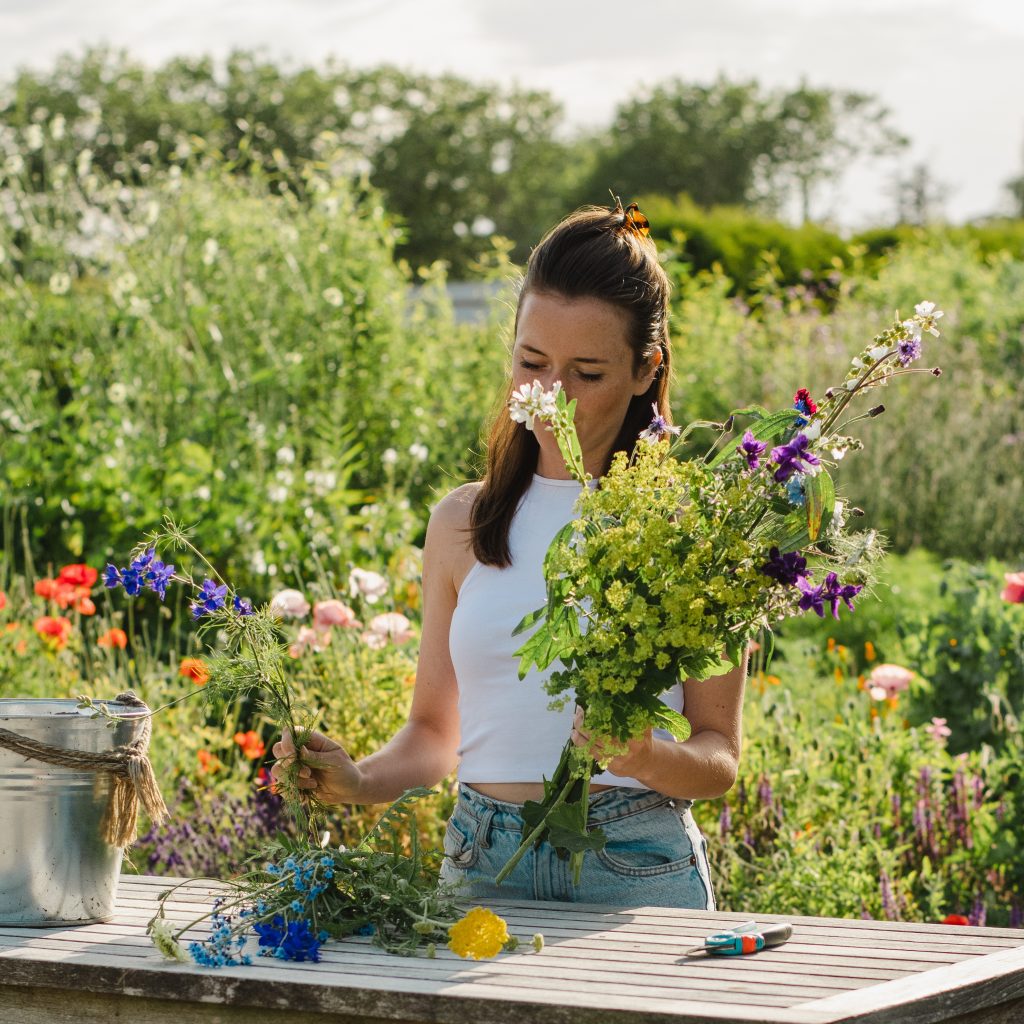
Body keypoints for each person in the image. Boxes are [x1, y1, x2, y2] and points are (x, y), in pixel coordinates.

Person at [272, 201, 747, 908]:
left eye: (588, 373)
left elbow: (719, 758)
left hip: (636, 865)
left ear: (647, 370)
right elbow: (435, 734)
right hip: (480, 861)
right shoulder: (461, 522)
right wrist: (358, 781)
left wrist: (649, 757)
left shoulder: (691, 527)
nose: (552, 397)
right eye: (532, 363)